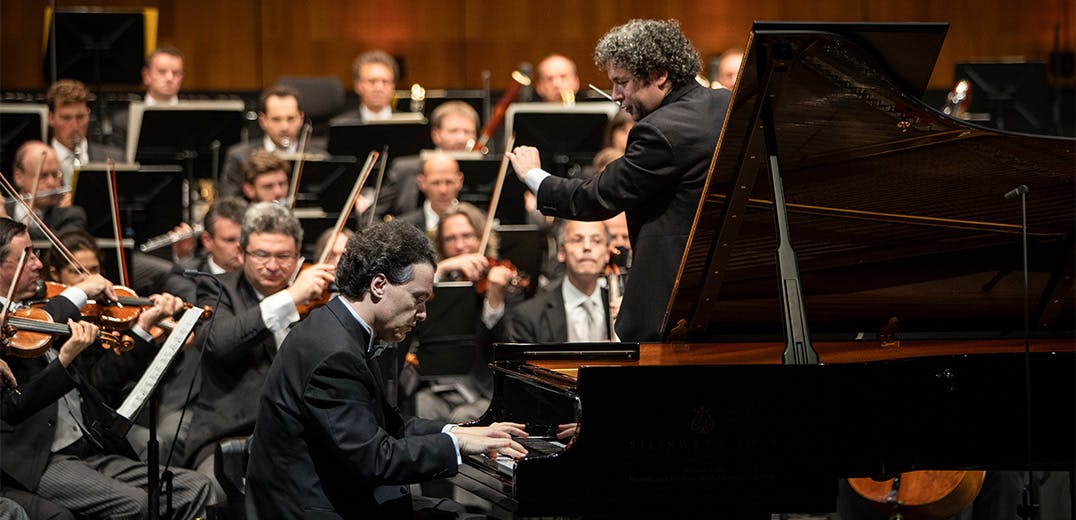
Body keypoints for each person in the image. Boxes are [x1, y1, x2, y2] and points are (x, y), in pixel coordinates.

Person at [245, 220, 527, 518]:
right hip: (316, 508)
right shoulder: (334, 353)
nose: (422, 314)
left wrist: (458, 430)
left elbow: (386, 426)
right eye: (418, 299)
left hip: (334, 494)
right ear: (379, 285)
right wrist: (455, 444)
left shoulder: (338, 329)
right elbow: (376, 460)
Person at [508, 18, 731, 341]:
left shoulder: (660, 129)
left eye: (622, 82)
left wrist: (534, 176)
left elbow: (596, 197)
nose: (615, 96)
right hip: (722, 290)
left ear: (659, 74)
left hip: (675, 303)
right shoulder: (723, 102)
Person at [0, 218, 212, 519]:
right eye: (26, 255)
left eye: (35, 253)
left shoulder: (39, 308)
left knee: (196, 487)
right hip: (39, 458)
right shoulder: (16, 322)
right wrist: (65, 358)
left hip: (89, 444)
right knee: (137, 504)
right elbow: (12, 407)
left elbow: (101, 380)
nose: (36, 263)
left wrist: (142, 329)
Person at [179, 203, 334, 496]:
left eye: (284, 256)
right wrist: (290, 297)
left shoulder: (318, 296)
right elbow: (219, 344)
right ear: (242, 253)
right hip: (231, 437)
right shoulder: (216, 288)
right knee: (218, 489)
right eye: (262, 255)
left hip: (302, 436)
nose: (273, 265)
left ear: (298, 254)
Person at [506, 220, 611, 343]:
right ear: (561, 252)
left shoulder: (623, 311)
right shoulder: (529, 315)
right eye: (577, 240)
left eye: (596, 241)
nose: (587, 247)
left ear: (607, 253)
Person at [373, 101, 480, 220]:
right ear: (436, 135)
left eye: (468, 132)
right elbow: (371, 216)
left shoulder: (484, 169)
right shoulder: (405, 168)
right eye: (453, 131)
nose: (461, 139)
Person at [220, 85, 325, 198]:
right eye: (276, 119)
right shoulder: (240, 157)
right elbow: (231, 205)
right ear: (263, 120)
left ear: (301, 118)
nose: (284, 126)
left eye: (290, 119)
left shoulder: (320, 157)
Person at [46, 80, 124, 187]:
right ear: (51, 118)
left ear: (88, 114)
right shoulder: (36, 162)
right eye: (66, 118)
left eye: (80, 117)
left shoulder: (115, 160)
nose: (74, 126)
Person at [5, 141, 87, 241]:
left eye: (55, 174)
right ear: (19, 177)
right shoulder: (4, 209)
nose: (52, 183)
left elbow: (61, 244)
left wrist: (6, 222)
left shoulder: (70, 215)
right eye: (43, 175)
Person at [110, 46, 186, 148]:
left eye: (176, 73)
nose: (170, 78)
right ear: (147, 76)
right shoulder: (123, 121)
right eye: (162, 71)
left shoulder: (197, 118)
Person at [395, 151, 464, 236]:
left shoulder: (477, 223)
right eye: (435, 183)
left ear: (460, 181)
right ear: (422, 183)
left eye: (449, 182)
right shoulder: (402, 228)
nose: (443, 191)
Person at [331, 50, 399, 124]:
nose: (379, 88)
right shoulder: (341, 125)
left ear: (393, 86)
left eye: (385, 82)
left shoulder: (409, 123)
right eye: (372, 81)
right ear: (358, 86)